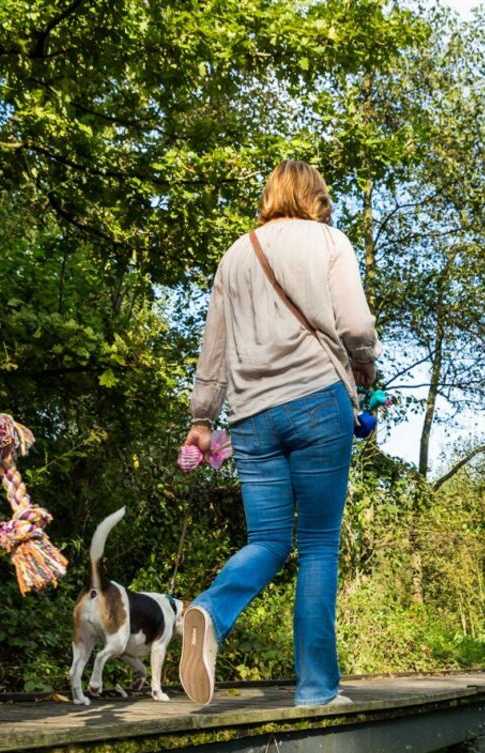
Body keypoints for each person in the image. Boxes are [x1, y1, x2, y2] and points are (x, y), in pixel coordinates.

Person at [178, 161, 380, 708]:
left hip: (250, 417)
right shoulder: (329, 241)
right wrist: (364, 363)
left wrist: (202, 421)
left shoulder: (235, 254)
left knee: (266, 541)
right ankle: (316, 689)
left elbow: (214, 347)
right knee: (317, 545)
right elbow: (357, 327)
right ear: (317, 196)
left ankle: (210, 611)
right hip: (318, 399)